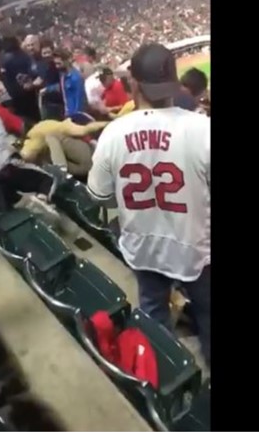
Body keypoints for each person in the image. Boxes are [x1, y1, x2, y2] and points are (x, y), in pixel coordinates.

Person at [85, 43, 211, 366]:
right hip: (197, 248)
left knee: (154, 313)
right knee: (207, 313)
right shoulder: (203, 129)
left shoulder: (114, 133)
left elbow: (98, 196)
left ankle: (168, 375)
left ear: (134, 84)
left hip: (143, 246)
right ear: (174, 82)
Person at [20, 117, 109, 176]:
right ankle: (60, 170)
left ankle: (60, 170)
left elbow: (26, 154)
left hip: (86, 163)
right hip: (88, 163)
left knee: (51, 139)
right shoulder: (39, 131)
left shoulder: (37, 133)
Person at [0, 35, 39, 122]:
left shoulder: (3, 57)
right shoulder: (25, 56)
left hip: (13, 96)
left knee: (20, 121)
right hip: (29, 93)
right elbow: (33, 72)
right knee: (34, 118)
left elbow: (2, 77)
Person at [53, 49, 87, 119]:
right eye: (55, 64)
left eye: (59, 64)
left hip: (75, 116)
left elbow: (79, 100)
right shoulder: (63, 75)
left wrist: (76, 118)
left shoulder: (76, 78)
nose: (57, 66)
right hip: (67, 114)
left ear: (67, 61)